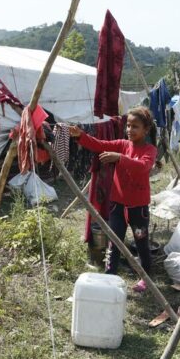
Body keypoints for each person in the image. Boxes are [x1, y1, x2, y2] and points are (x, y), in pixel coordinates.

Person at [69, 107, 158, 292]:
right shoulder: (122, 144)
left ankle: (145, 277)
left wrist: (120, 158)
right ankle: (110, 276)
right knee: (114, 240)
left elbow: (142, 166)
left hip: (138, 209)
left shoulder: (149, 150)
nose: (130, 130)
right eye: (128, 125)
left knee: (141, 242)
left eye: (135, 126)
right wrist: (80, 136)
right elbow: (98, 144)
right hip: (117, 206)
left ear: (146, 130)